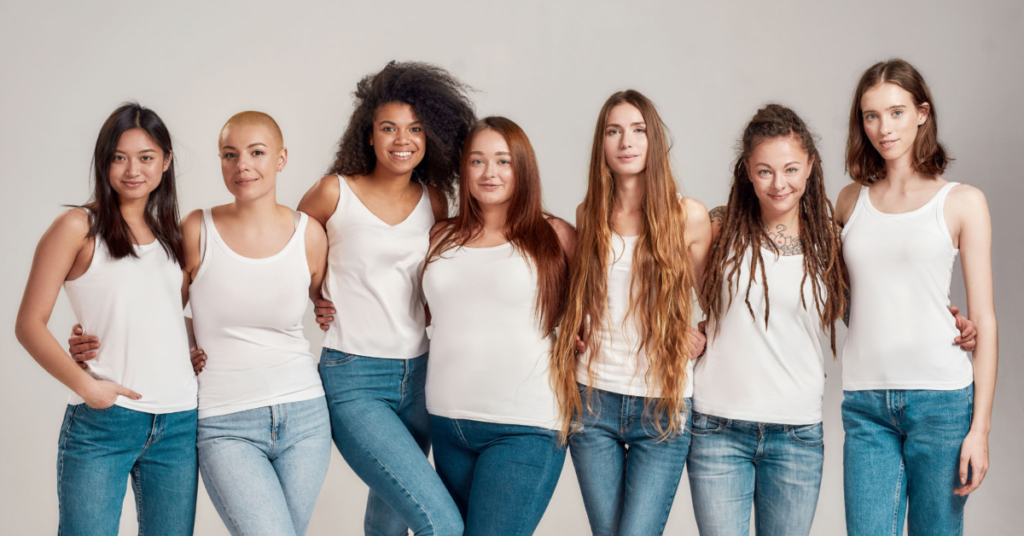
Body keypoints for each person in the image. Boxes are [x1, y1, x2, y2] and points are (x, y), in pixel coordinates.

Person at [70, 111, 333, 536]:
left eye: (257, 152)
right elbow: (159, 310)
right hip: (224, 416)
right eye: (230, 154)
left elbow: (332, 301)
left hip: (306, 414)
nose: (242, 165)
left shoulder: (310, 234)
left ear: (281, 158)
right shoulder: (197, 228)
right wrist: (90, 336)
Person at [298, 61, 475, 536]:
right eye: (389, 128)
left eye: (416, 128)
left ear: (430, 136)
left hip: (420, 377)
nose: (403, 139)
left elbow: (438, 282)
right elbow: (288, 251)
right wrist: (315, 292)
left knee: (390, 523)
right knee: (439, 522)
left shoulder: (434, 201)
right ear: (369, 136)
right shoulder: (335, 193)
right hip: (354, 377)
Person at [16, 103, 199, 535]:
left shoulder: (171, 234)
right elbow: (28, 324)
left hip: (178, 421)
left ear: (166, 161)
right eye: (119, 157)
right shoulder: (79, 226)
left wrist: (195, 345)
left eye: (146, 157)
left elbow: (164, 316)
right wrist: (87, 387)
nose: (132, 169)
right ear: (104, 162)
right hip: (104, 421)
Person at [836, 58, 998, 536]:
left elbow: (985, 319)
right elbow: (823, 290)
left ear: (922, 113)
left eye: (897, 112)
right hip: (865, 403)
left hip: (942, 403)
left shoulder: (963, 202)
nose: (883, 128)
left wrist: (980, 430)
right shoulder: (849, 201)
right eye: (871, 116)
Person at [551, 90, 711, 536]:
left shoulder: (688, 216)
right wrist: (572, 326)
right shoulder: (589, 214)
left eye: (638, 130)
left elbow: (718, 300)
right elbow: (585, 296)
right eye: (614, 131)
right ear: (602, 144)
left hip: (661, 404)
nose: (626, 141)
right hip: (593, 400)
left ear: (653, 140)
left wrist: (698, 332)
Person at [422, 117, 575, 535]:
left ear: (522, 167)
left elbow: (604, 304)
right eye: (477, 161)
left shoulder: (554, 235)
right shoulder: (441, 236)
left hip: (524, 425)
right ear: (464, 169)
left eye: (503, 161)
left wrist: (690, 328)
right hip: (448, 422)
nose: (490, 173)